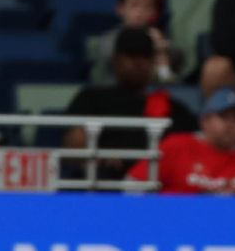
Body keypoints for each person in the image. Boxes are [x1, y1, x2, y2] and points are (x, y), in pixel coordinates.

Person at [64, 27, 197, 180]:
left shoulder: (172, 107)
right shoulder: (91, 97)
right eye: (132, 55)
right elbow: (74, 144)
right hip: (105, 185)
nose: (139, 62)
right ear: (116, 59)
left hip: (158, 189)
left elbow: (194, 149)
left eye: (145, 56)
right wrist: (99, 156)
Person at [128, 86, 235, 193]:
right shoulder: (176, 146)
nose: (230, 124)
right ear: (204, 121)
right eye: (224, 117)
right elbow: (133, 184)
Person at [90, 0, 182, 85]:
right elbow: (109, 56)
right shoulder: (109, 40)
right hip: (116, 93)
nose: (140, 12)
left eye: (147, 6)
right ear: (120, 9)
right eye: (134, 5)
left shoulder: (160, 41)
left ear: (153, 12)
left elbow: (167, 81)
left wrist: (161, 53)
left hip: (151, 94)